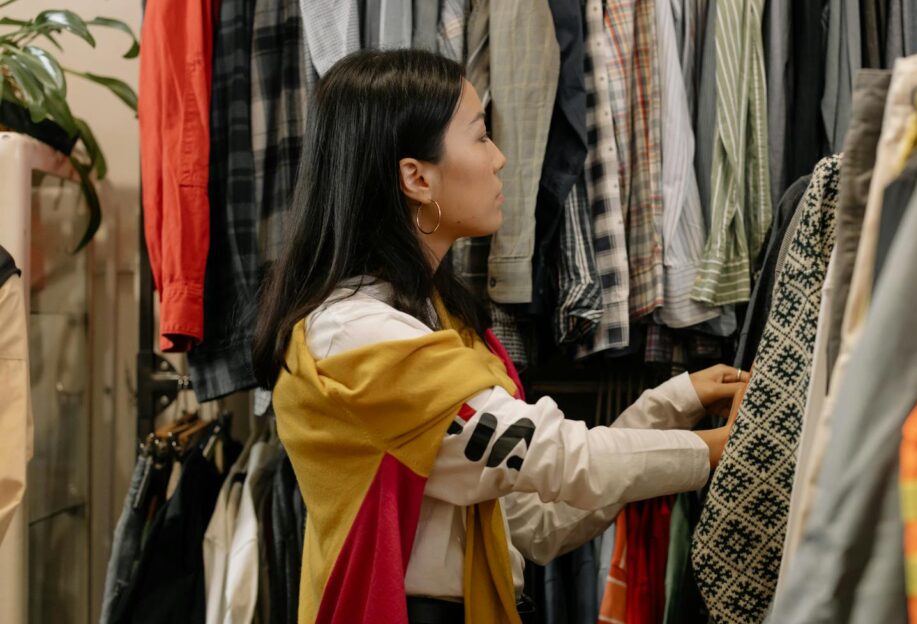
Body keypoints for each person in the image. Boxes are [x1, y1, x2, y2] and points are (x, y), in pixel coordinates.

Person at [253, 49, 748, 624]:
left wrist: (673, 405)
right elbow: (557, 458)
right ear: (416, 176)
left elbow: (536, 522)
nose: (501, 158)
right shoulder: (359, 337)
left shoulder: (435, 321)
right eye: (481, 137)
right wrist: (719, 447)